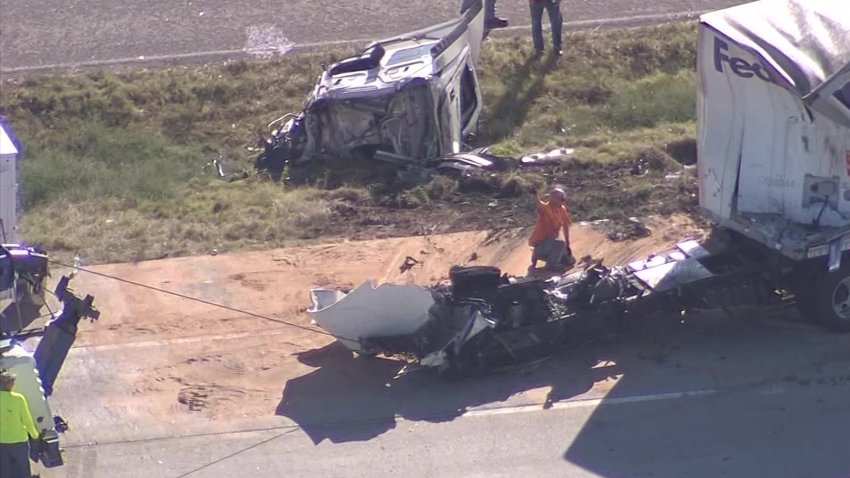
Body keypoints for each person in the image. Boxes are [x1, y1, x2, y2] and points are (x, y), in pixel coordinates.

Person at [0, 371, 39, 478]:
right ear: (9, 384)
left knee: (4, 471)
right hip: (19, 441)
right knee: (23, 469)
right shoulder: (18, 399)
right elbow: (27, 420)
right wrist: (35, 436)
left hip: (2, 442)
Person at [528, 186, 575, 273]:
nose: (563, 201)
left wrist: (568, 245)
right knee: (560, 243)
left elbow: (565, 226)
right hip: (542, 243)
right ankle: (550, 266)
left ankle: (545, 260)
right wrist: (535, 195)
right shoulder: (545, 208)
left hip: (552, 243)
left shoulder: (562, 209)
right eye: (561, 199)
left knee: (570, 260)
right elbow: (539, 203)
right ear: (554, 198)